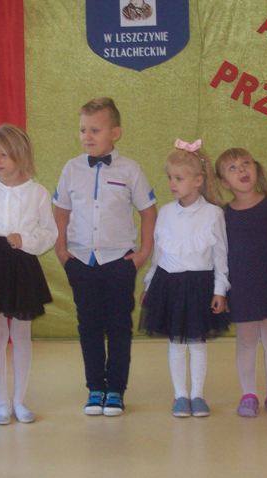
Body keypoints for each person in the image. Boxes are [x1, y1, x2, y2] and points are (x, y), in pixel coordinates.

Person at [53, 97, 157, 416]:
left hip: (118, 262)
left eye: (95, 130)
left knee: (119, 326)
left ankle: (116, 390)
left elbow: (148, 211)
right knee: (89, 326)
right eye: (83, 129)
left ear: (115, 133)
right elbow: (60, 210)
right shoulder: (71, 169)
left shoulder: (130, 170)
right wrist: (62, 251)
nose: (87, 136)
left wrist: (143, 252)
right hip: (81, 261)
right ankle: (95, 387)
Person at [0, 124, 57, 425]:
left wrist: (25, 240)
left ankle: (20, 400)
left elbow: (49, 233)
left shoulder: (38, 192)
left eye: (3, 155)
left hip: (22, 264)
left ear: (20, 155)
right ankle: (2, 402)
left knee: (21, 334)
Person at [140, 139, 229, 418]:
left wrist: (220, 290)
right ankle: (180, 395)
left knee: (197, 342)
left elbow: (220, 256)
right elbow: (159, 254)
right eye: (170, 177)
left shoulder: (214, 214)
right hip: (169, 284)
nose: (172, 184)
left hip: (200, 286)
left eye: (179, 178)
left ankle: (197, 395)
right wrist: (149, 284)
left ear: (198, 180)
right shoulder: (166, 213)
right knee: (176, 343)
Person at [215, 148, 267, 418]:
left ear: (256, 168)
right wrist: (221, 291)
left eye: (246, 164)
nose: (241, 170)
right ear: (224, 182)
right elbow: (220, 256)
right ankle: (248, 395)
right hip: (241, 289)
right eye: (232, 168)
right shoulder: (223, 215)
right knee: (246, 341)